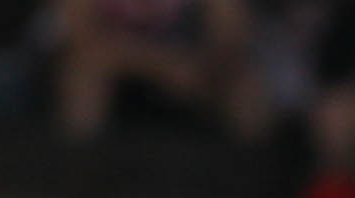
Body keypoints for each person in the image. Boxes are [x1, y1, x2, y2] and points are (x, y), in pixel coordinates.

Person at [49, 0, 265, 143]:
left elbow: (231, 34)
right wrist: (163, 67)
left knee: (244, 82)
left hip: (191, 69)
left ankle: (250, 191)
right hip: (119, 67)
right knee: (82, 72)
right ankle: (80, 186)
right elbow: (79, 37)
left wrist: (202, 67)